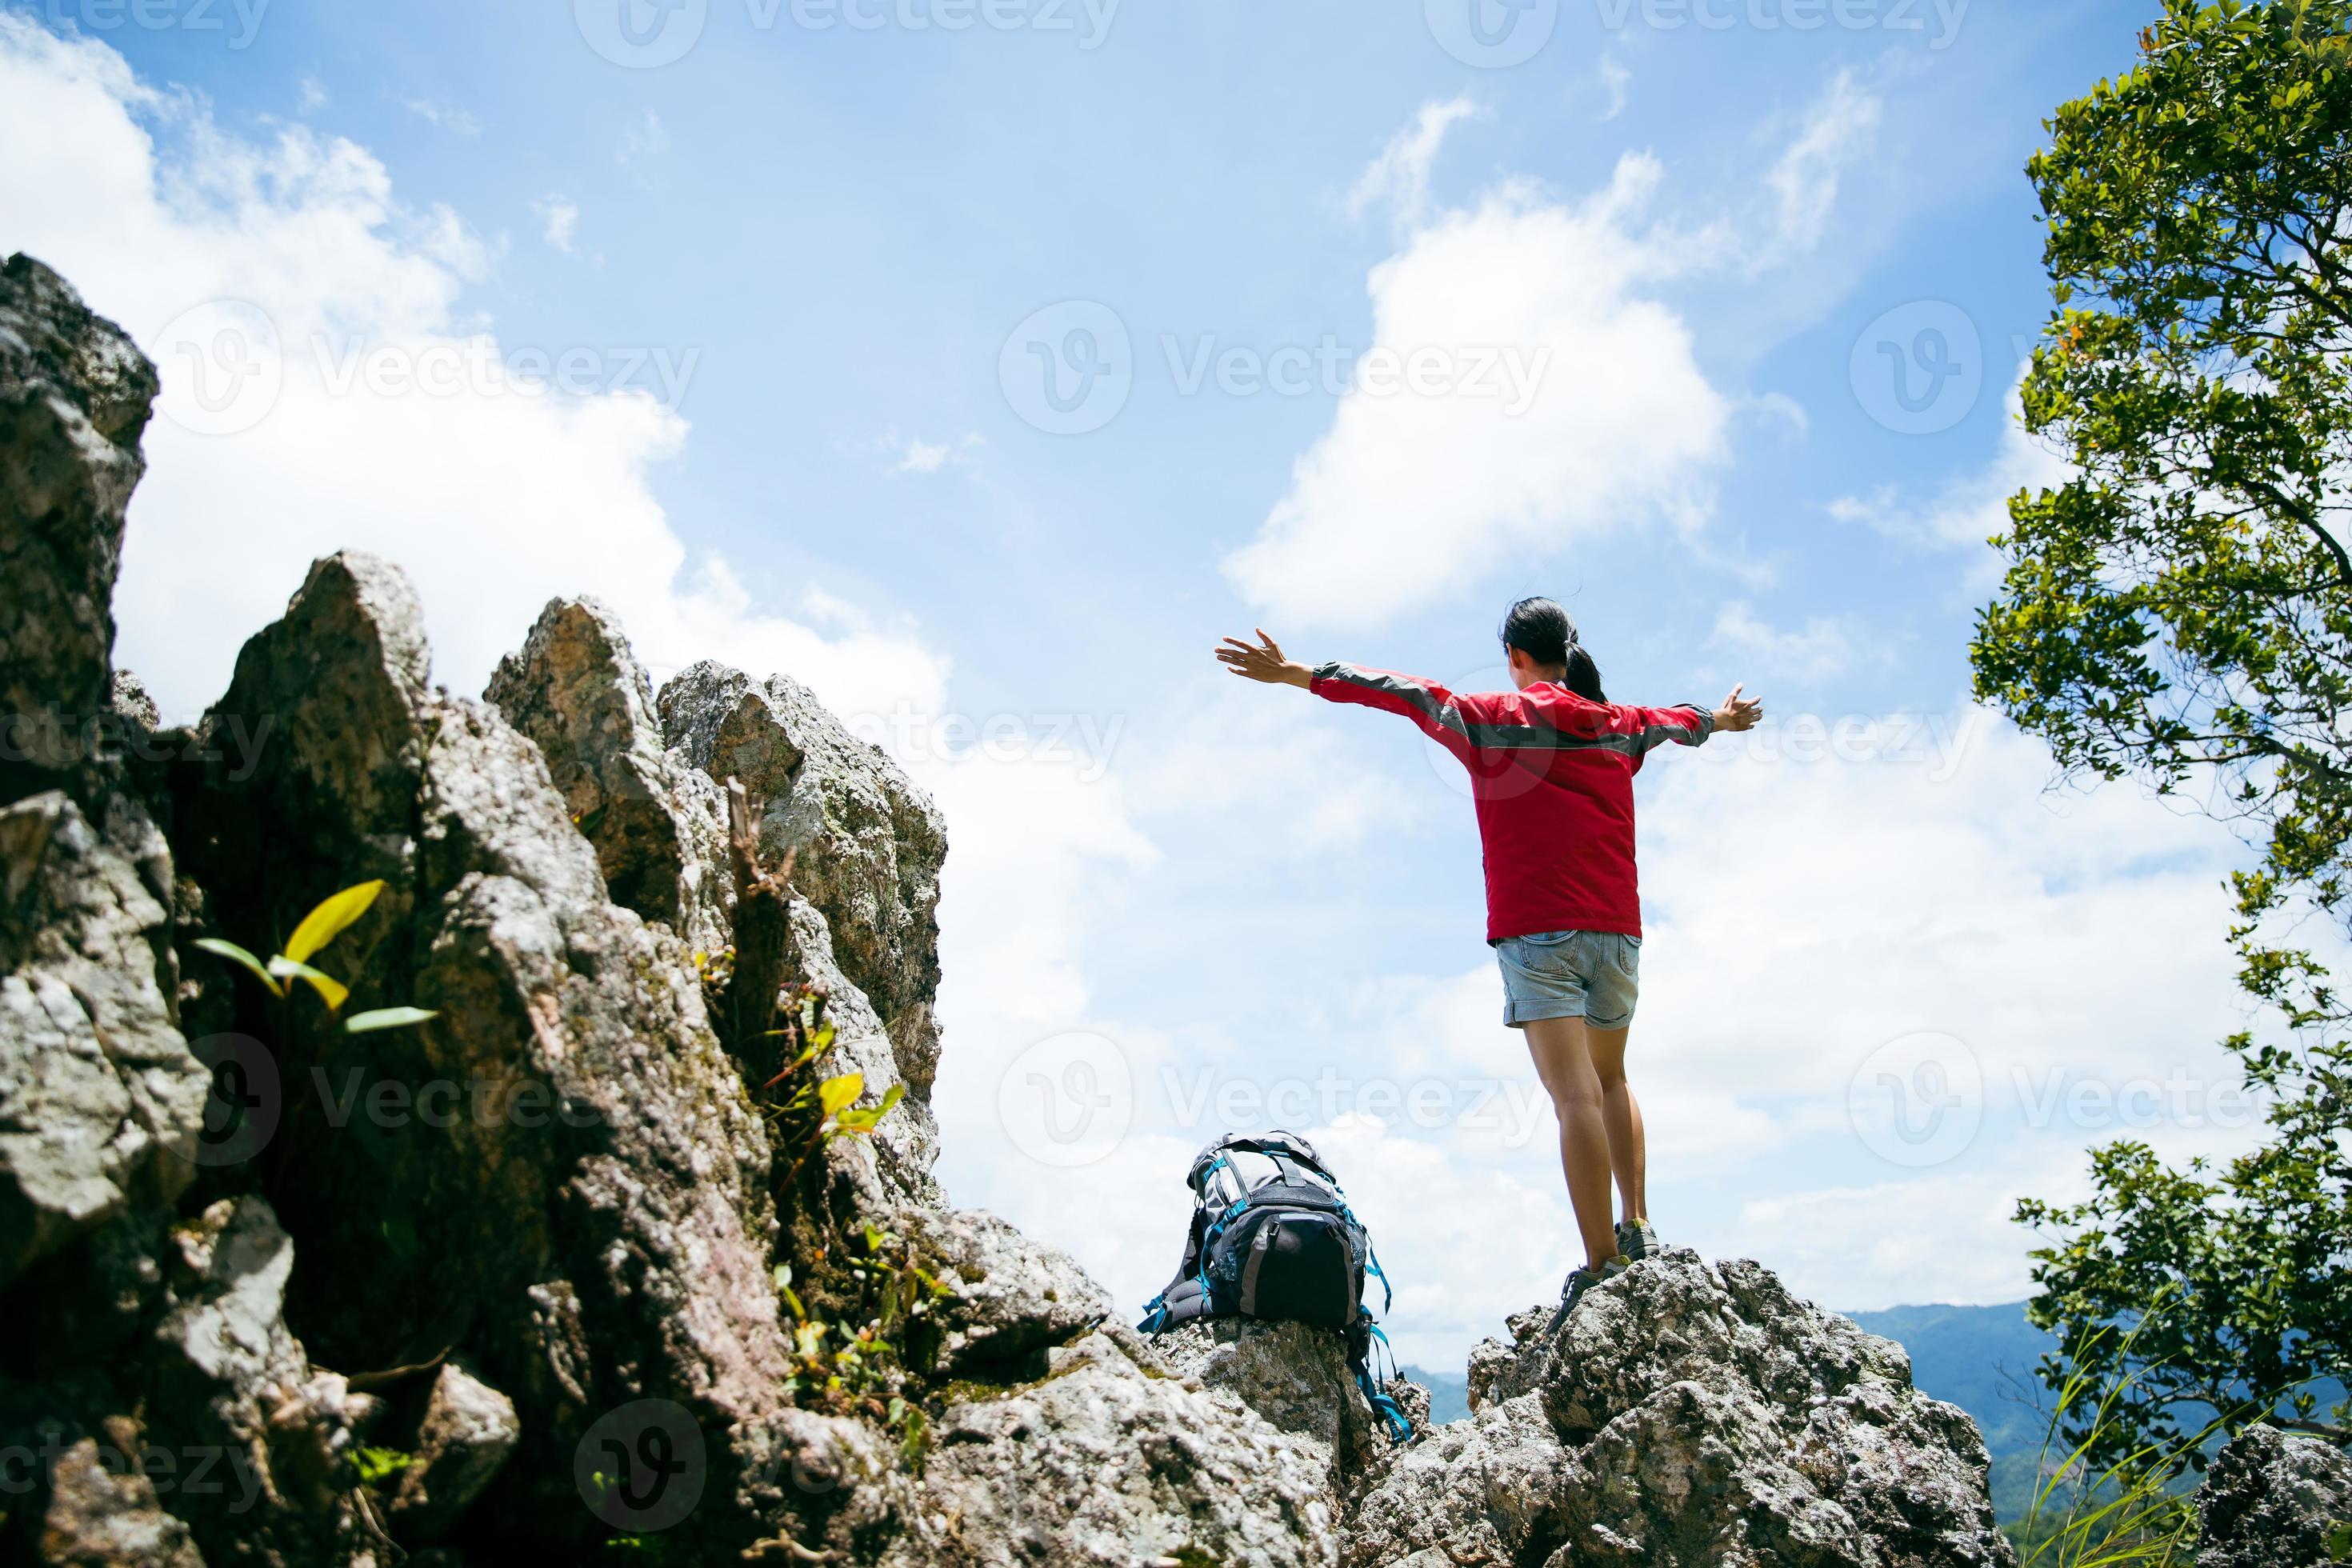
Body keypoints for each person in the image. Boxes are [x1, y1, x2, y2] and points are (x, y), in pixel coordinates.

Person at [1215, 598, 1762, 1328]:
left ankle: (1603, 1267)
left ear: (1515, 655)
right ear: (1568, 655)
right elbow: (1683, 722)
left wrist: (1300, 675)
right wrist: (1723, 720)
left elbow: (1399, 691)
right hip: (1617, 932)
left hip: (1539, 935)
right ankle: (1637, 1224)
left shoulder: (1489, 717)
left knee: (1573, 1099)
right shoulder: (1620, 725)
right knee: (1613, 1078)